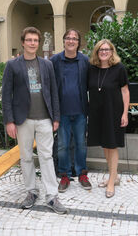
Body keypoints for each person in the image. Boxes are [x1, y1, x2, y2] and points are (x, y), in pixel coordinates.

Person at [1, 26, 67, 214]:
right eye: (29, 40)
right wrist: (9, 121)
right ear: (23, 42)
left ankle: (52, 196)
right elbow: (6, 95)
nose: (32, 43)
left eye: (35, 40)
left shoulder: (47, 65)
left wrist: (56, 117)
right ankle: (31, 191)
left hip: (45, 118)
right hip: (23, 120)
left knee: (46, 157)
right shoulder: (12, 65)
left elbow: (54, 91)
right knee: (26, 157)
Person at [87, 39, 129, 198]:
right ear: (97, 52)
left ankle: (112, 180)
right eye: (100, 50)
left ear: (112, 51)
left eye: (107, 49)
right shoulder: (91, 69)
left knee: (112, 145)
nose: (104, 52)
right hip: (97, 112)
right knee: (105, 144)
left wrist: (125, 113)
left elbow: (125, 91)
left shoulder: (119, 69)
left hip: (114, 111)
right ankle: (114, 175)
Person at [50, 29, 91, 192]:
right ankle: (64, 175)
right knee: (62, 145)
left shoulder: (85, 61)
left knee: (81, 144)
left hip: (81, 111)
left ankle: (82, 173)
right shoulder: (54, 60)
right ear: (64, 41)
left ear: (78, 42)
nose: (71, 41)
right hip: (61, 113)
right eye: (68, 38)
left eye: (75, 38)